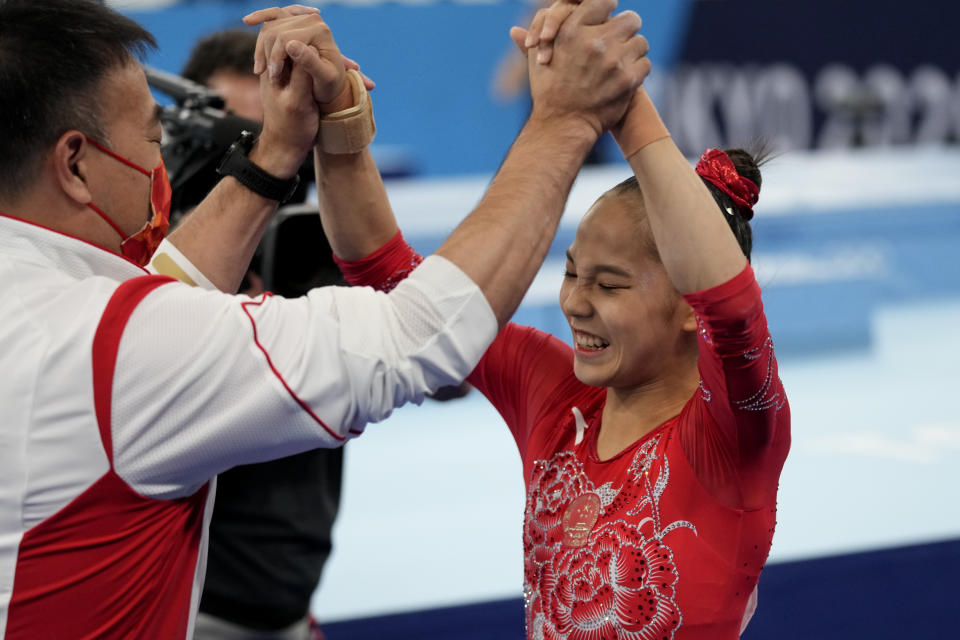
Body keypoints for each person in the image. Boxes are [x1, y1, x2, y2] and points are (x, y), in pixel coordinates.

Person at [0, 1, 649, 638]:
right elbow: (420, 337)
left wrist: (276, 154)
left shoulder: (46, 307)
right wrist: (566, 119)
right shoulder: (112, 348)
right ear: (76, 163)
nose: (159, 167)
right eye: (152, 137)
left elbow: (155, 296)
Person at [311, 8, 791, 639]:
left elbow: (730, 308)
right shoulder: (554, 392)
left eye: (609, 283)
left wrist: (619, 103)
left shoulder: (734, 437)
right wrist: (337, 122)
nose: (575, 303)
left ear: (685, 307)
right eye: (572, 273)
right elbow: (389, 274)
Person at [179, 29, 343, 640]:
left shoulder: (318, 241)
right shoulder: (144, 268)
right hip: (185, 605)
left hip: (291, 604)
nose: (260, 166)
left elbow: (444, 373)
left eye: (281, 143)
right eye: (235, 145)